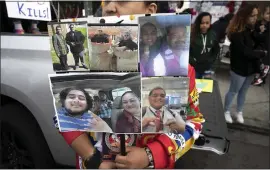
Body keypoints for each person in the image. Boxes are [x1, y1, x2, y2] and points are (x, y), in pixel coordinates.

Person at [53, 2, 205, 169]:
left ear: (150, 10)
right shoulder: (84, 63)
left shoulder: (179, 69)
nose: (109, 8)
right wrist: (92, 158)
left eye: (122, 1)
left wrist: (151, 154)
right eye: (105, 1)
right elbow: (63, 115)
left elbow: (193, 121)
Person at [224, 4, 268, 124]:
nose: (255, 18)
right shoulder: (237, 33)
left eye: (256, 15)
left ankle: (239, 112)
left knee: (243, 92)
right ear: (244, 16)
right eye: (252, 16)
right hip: (239, 68)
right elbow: (245, 52)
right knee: (233, 90)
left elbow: (260, 41)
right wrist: (261, 53)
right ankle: (226, 111)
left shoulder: (251, 29)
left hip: (250, 68)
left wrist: (260, 32)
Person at [189, 12, 220, 79]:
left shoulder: (213, 35)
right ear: (198, 23)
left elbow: (216, 50)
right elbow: (186, 50)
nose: (205, 25)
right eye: (202, 23)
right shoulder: (192, 35)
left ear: (210, 23)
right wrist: (193, 61)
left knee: (203, 87)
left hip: (207, 68)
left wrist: (211, 61)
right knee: (193, 86)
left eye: (207, 23)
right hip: (194, 67)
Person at [252, 5, 270, 85]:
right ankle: (257, 78)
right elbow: (254, 34)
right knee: (258, 63)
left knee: (265, 63)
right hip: (257, 46)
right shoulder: (257, 23)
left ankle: (261, 79)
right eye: (268, 13)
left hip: (266, 47)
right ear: (262, 14)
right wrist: (259, 31)